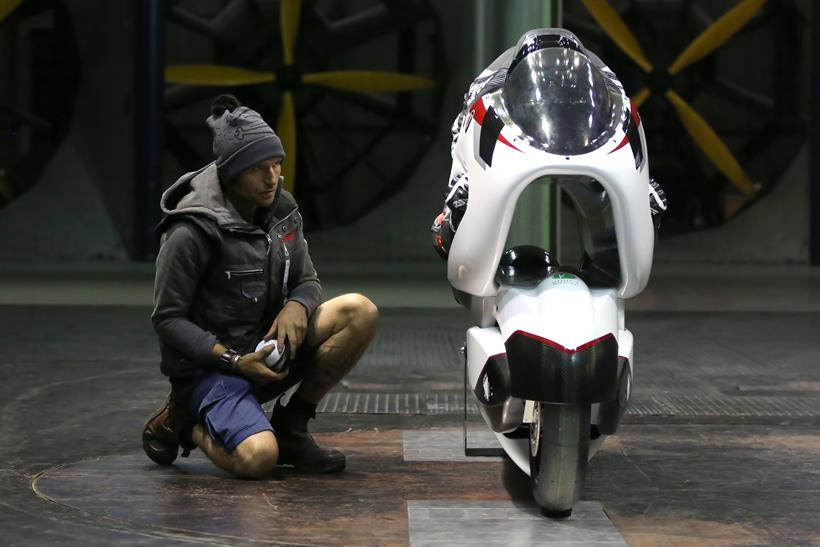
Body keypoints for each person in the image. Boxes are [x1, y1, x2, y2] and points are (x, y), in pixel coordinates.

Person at [142, 94, 379, 479]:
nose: (272, 177)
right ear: (232, 172)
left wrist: (296, 307)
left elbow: (307, 279)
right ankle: (183, 421)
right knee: (258, 460)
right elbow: (168, 320)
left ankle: (293, 426)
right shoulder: (191, 231)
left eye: (277, 164)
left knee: (359, 311)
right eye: (258, 169)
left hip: (266, 351)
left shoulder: (280, 208)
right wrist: (232, 361)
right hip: (212, 370)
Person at [431, 29, 667, 258]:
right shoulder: (490, 91)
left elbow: (620, 113)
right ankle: (456, 219)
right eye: (546, 94)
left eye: (570, 96)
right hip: (508, 127)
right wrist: (457, 211)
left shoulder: (607, 88)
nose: (555, 100)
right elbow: (463, 133)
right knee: (460, 199)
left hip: (591, 132)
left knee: (634, 208)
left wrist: (641, 205)